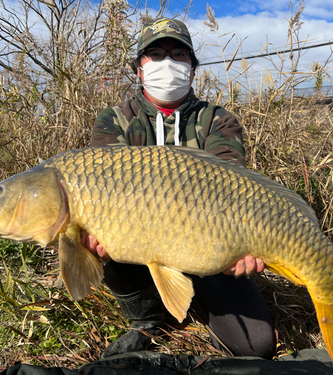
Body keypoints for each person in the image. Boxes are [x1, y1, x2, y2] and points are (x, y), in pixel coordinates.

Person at [82, 17, 275, 360]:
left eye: (178, 55)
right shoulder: (114, 119)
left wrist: (241, 249)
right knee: (102, 232)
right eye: (154, 54)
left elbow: (234, 190)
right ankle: (148, 319)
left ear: (192, 67)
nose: (166, 63)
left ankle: (201, 303)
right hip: (140, 244)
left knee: (256, 346)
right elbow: (102, 192)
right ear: (138, 69)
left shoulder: (218, 119)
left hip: (209, 245)